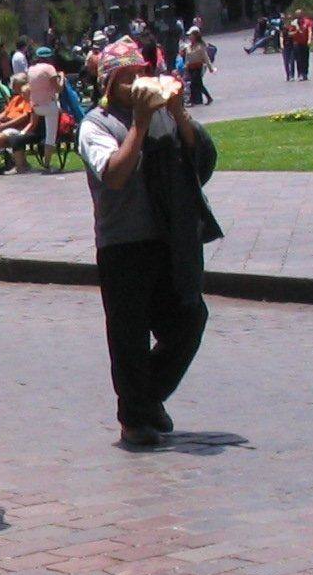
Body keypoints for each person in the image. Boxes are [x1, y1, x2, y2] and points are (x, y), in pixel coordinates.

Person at [76, 39, 222, 448]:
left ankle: (143, 400)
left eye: (138, 73)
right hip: (123, 243)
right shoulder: (96, 124)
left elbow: (201, 162)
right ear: (108, 84)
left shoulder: (162, 116)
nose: (135, 82)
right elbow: (115, 175)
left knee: (189, 319)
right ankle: (136, 418)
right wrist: (139, 125)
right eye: (125, 77)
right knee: (129, 336)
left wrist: (178, 113)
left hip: (167, 239)